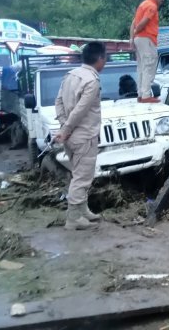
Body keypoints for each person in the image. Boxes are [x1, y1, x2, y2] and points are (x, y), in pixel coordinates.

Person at [54, 42, 107, 230]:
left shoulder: (71, 75)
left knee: (80, 174)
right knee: (82, 178)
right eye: (105, 58)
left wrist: (63, 126)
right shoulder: (91, 81)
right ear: (99, 58)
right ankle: (73, 218)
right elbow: (80, 110)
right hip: (84, 136)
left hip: (70, 137)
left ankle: (83, 210)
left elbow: (58, 102)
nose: (105, 61)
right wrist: (66, 128)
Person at [130, 0, 165, 103]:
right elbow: (143, 22)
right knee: (149, 65)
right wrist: (137, 32)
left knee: (141, 67)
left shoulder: (142, 4)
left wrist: (132, 37)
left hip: (139, 39)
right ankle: (146, 95)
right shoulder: (152, 6)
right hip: (147, 38)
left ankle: (141, 94)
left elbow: (134, 22)